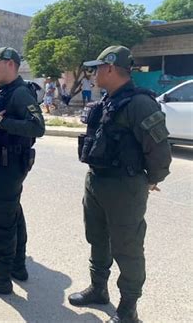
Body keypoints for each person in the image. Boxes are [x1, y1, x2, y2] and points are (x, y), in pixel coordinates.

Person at [70, 46, 172, 323]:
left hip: (125, 187)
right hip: (97, 181)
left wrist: (150, 180)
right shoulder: (107, 101)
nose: (93, 73)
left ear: (111, 68)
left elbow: (160, 152)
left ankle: (128, 309)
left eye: (97, 68)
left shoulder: (140, 104)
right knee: (97, 238)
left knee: (127, 248)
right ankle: (98, 289)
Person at [0, 47, 45, 295]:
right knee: (14, 212)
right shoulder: (5, 92)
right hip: (4, 162)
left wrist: (1, 121)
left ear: (11, 64)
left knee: (3, 219)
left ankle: (1, 277)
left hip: (9, 164)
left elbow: (38, 127)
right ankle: (17, 265)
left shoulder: (21, 93)